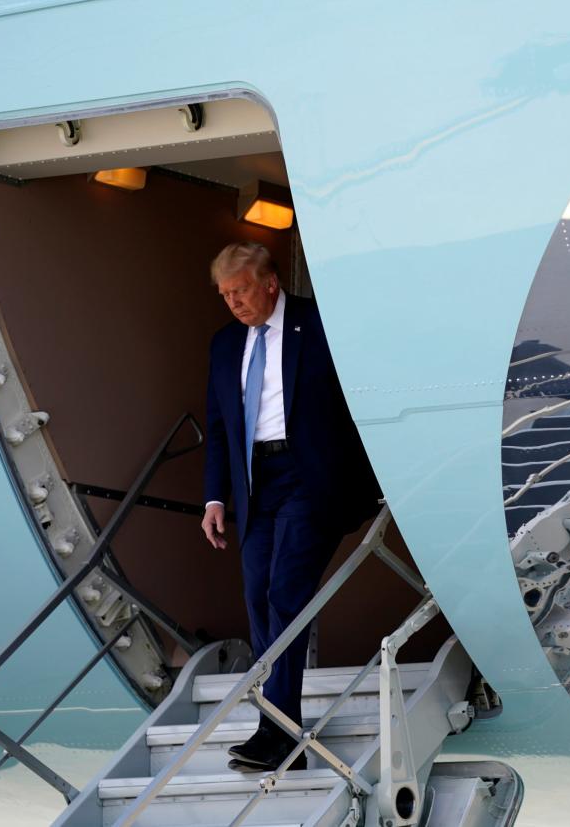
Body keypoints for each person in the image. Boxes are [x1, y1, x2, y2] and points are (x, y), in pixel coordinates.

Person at [201, 242, 379, 772]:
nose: (233, 302)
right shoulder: (225, 344)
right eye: (225, 294)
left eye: (241, 290)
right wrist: (215, 496)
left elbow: (359, 400)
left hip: (311, 478)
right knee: (258, 596)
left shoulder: (320, 325)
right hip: (257, 483)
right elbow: (219, 426)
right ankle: (276, 726)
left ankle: (278, 730)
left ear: (271, 283)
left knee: (285, 592)